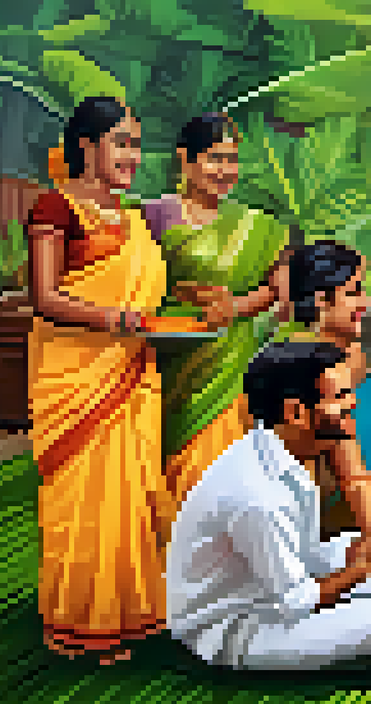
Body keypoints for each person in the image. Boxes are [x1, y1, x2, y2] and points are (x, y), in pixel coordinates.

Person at [25, 97, 216, 663]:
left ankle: (131, 615)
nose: (133, 155)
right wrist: (114, 320)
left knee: (130, 496)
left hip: (131, 372)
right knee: (82, 501)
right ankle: (80, 620)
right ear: (87, 147)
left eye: (136, 143)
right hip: (75, 377)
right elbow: (44, 296)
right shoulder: (55, 208)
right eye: (121, 143)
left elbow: (153, 294)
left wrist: (197, 304)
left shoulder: (133, 219)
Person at [167, 341, 371, 670]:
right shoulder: (257, 496)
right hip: (237, 629)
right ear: (295, 413)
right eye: (340, 396)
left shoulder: (279, 450)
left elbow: (305, 554)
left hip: (274, 586)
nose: (354, 402)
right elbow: (297, 601)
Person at [140, 113, 292, 506]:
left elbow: (278, 288)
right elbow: (132, 280)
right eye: (214, 158)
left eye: (232, 160)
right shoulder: (152, 216)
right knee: (168, 472)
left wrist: (235, 307)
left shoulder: (257, 224)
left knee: (224, 477)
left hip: (231, 366)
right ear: (185, 160)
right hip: (167, 357)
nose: (225, 170)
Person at [274, 242, 371, 533]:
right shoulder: (309, 366)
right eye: (354, 292)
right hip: (336, 521)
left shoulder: (348, 354)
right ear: (321, 300)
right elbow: (351, 476)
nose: (366, 302)